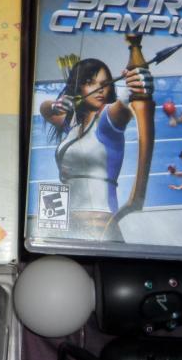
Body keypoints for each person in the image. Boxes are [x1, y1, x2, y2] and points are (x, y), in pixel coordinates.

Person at [40, 58, 152, 237]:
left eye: (104, 84)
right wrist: (55, 105)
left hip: (98, 227)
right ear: (78, 88)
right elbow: (45, 109)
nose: (100, 89)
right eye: (90, 82)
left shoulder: (107, 120)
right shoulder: (73, 125)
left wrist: (133, 86)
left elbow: (124, 105)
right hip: (63, 223)